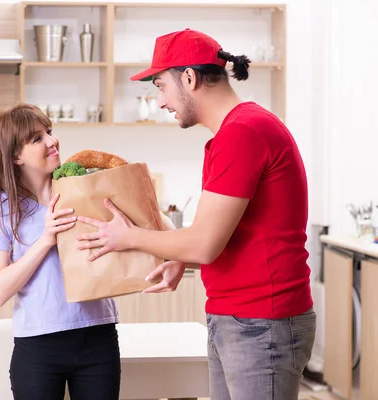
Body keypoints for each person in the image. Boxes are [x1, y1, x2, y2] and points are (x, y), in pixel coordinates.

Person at [75, 29, 316, 400]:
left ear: (189, 78)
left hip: (260, 323)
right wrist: (178, 256)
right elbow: (222, 238)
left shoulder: (243, 133)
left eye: (160, 86)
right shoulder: (234, 133)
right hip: (241, 319)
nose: (160, 102)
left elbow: (203, 244)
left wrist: (127, 237)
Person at [0, 103, 121, 400]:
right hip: (38, 346)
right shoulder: (0, 211)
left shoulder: (86, 189)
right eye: (36, 138)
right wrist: (45, 239)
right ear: (16, 156)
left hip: (98, 336)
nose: (52, 141)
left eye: (49, 132)